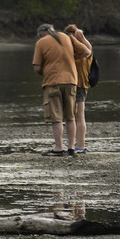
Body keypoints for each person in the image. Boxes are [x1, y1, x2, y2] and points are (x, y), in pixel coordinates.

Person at [32, 23, 90, 156]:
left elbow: (37, 67)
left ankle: (58, 148)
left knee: (56, 118)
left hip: (53, 82)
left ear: (42, 34)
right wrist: (70, 58)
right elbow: (86, 52)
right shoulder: (67, 37)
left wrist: (46, 72)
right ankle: (71, 147)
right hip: (71, 81)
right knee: (70, 117)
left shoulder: (41, 43)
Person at [65, 24, 94, 153]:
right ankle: (80, 144)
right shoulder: (88, 48)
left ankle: (80, 145)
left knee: (76, 116)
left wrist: (73, 37)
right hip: (83, 84)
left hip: (76, 84)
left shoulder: (76, 51)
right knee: (80, 116)